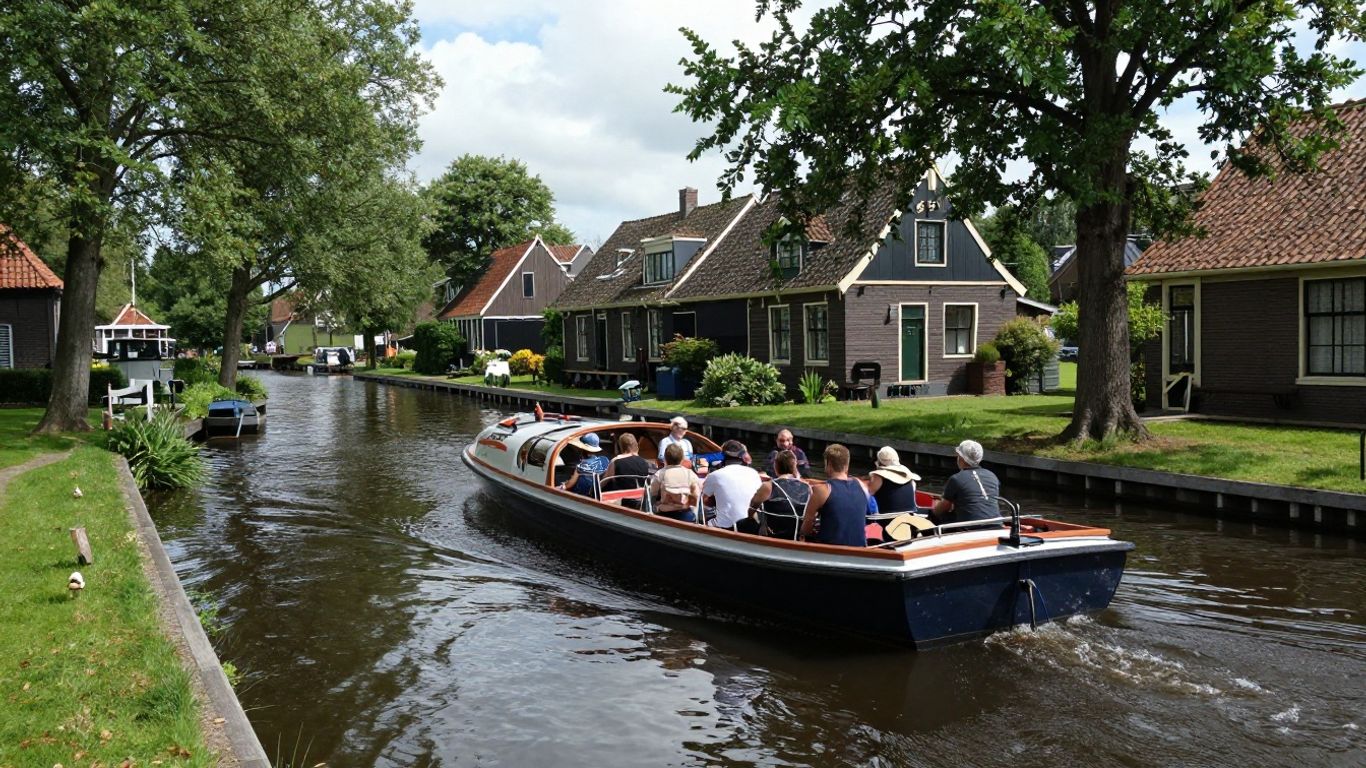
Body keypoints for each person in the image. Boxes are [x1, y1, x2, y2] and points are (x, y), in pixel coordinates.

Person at [800, 444, 870, 547]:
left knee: (801, 536)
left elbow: (806, 527)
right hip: (859, 548)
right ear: (847, 465)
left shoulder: (822, 491)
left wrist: (804, 533)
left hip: (831, 549)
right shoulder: (861, 485)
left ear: (828, 464)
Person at [931, 440, 1002, 527]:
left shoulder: (956, 479)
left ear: (961, 457)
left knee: (937, 518)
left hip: (970, 527)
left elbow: (943, 508)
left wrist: (932, 514)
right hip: (996, 525)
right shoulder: (992, 476)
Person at [702, 440, 763, 533]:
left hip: (724, 527)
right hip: (751, 526)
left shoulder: (714, 475)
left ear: (723, 456)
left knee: (701, 508)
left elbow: (704, 500)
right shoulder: (754, 473)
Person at [751, 449, 811, 539]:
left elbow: (751, 509)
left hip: (774, 535)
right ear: (795, 466)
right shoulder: (807, 487)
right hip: (796, 535)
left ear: (776, 466)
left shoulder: (768, 486)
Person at [650, 443, 702, 522]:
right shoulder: (690, 474)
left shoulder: (660, 474)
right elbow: (697, 495)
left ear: (665, 459)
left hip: (665, 514)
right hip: (686, 514)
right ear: (682, 459)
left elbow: (652, 494)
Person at [602, 433, 652, 508]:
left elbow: (604, 481)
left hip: (621, 501)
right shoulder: (644, 462)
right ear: (636, 445)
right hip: (640, 499)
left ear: (621, 446)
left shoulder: (616, 461)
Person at [867, 446, 921, 513]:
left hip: (886, 519)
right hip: (910, 515)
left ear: (879, 462)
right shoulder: (910, 479)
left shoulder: (879, 476)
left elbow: (867, 494)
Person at [559, 433, 609, 497]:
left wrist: (561, 486)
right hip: (595, 493)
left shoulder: (581, 466)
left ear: (583, 449)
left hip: (581, 495)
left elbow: (570, 484)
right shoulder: (603, 462)